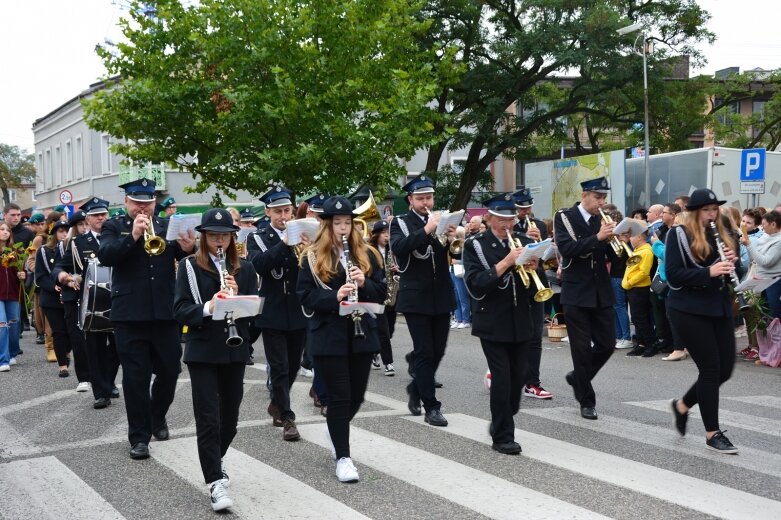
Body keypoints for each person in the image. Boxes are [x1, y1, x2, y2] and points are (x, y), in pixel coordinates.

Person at [98, 178, 195, 460]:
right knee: (136, 378)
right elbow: (106, 256)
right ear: (126, 202)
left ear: (155, 202)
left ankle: (157, 416)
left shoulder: (166, 227)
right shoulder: (113, 226)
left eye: (148, 202)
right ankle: (139, 437)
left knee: (170, 370)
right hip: (130, 315)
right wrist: (133, 236)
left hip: (165, 313)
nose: (143, 207)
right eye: (138, 202)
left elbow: (184, 255)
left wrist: (188, 247)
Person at [296, 196, 386, 482]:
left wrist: (364, 283)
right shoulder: (311, 257)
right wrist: (333, 296)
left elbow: (383, 293)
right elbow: (305, 296)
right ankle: (344, 457)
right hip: (328, 335)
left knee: (356, 397)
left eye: (348, 223)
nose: (344, 228)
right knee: (339, 396)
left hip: (361, 332)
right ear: (327, 226)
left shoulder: (369, 254)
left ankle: (335, 429)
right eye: (338, 223)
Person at [173, 208, 256, 512]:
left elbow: (254, 313)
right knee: (208, 417)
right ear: (203, 237)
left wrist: (236, 300)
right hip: (202, 350)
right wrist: (210, 306)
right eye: (213, 235)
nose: (219, 240)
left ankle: (214, 458)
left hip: (234, 349)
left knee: (230, 419)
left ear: (233, 237)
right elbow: (180, 310)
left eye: (225, 235)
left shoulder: (244, 269)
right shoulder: (189, 268)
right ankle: (214, 481)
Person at [666, 188, 739, 454]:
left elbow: (735, 269)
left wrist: (734, 261)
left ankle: (682, 405)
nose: (712, 214)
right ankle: (712, 433)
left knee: (725, 370)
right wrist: (708, 272)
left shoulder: (725, 232)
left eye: (714, 209)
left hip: (718, 306)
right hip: (688, 308)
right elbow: (673, 275)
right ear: (694, 212)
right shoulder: (679, 234)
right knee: (710, 369)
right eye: (707, 210)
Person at [463, 193, 538, 454]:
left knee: (519, 377)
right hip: (492, 321)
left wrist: (536, 266)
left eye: (511, 219)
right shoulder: (475, 245)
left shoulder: (525, 241)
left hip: (521, 318)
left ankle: (502, 418)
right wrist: (507, 261)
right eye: (502, 220)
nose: (508, 225)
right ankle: (503, 436)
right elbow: (475, 283)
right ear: (488, 218)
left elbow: (535, 285)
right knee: (503, 378)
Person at [389, 175, 456, 427]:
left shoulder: (441, 220)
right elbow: (400, 247)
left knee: (437, 351)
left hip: (441, 295)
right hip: (415, 296)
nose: (425, 202)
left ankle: (416, 389)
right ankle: (432, 406)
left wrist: (453, 238)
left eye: (428, 197)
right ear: (410, 200)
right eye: (420, 198)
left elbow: (453, 253)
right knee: (425, 351)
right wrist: (428, 229)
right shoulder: (400, 222)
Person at [247, 185, 309, 441]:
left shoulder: (303, 234)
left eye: (288, 210)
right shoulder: (257, 237)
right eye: (279, 211)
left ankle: (276, 402)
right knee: (279, 366)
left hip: (298, 309)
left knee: (294, 365)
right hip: (271, 311)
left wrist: (311, 248)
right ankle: (287, 417)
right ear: (268, 212)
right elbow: (258, 266)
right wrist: (285, 244)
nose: (284, 216)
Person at [554, 176, 617, 420]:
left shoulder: (603, 220)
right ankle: (586, 400)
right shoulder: (565, 217)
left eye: (604, 198)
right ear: (584, 195)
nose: (601, 203)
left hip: (601, 291)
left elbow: (611, 256)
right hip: (576, 291)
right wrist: (599, 238)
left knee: (607, 345)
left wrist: (620, 239)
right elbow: (568, 249)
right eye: (597, 197)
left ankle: (577, 378)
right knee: (580, 349)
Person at [54, 198, 121, 408]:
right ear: (87, 219)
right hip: (92, 304)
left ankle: (108, 380)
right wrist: (64, 276)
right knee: (94, 348)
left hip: (119, 301)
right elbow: (60, 267)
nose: (101, 218)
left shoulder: (119, 238)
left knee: (119, 347)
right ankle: (101, 392)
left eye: (103, 214)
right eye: (96, 215)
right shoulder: (77, 243)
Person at [512, 187, 553, 400]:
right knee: (514, 335)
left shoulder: (538, 226)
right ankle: (503, 370)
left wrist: (540, 244)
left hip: (536, 282)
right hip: (515, 285)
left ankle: (532, 383)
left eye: (528, 207)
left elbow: (545, 257)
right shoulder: (507, 226)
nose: (525, 212)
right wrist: (524, 237)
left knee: (536, 335)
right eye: (521, 208)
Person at [35, 220, 72, 377]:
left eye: (66, 231)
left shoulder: (72, 249)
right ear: (55, 233)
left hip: (70, 296)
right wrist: (53, 286)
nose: (64, 234)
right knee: (58, 332)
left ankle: (66, 351)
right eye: (61, 231)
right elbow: (40, 276)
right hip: (51, 298)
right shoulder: (44, 251)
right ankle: (62, 365)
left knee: (71, 331)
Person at [622, 228, 656, 357]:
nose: (630, 239)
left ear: (640, 238)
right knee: (636, 318)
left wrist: (630, 282)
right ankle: (641, 344)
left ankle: (650, 344)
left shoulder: (646, 251)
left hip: (639, 288)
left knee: (641, 318)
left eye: (632, 236)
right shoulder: (637, 250)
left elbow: (643, 272)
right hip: (633, 288)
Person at [368, 219, 396, 375]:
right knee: (383, 330)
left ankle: (374, 351)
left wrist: (395, 269)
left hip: (390, 293)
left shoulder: (391, 250)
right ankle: (388, 363)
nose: (387, 237)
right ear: (377, 234)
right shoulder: (369, 250)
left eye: (389, 233)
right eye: (384, 233)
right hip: (376, 294)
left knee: (389, 329)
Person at [4, 203, 35, 335]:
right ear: (5, 215)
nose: (16, 218)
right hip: (4, 276)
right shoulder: (2, 231)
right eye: (13, 215)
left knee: (17, 310)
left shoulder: (27, 233)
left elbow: (33, 255)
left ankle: (16, 338)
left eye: (18, 215)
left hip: (21, 276)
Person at [0, 222, 26, 372]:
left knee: (14, 324)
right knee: (2, 324)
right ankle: (3, 359)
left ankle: (11, 352)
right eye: (1, 229)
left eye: (7, 230)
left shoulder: (16, 251)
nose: (5, 232)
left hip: (13, 293)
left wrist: (23, 274)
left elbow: (21, 272)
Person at [450, 226, 471, 330]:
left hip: (460, 272)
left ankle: (466, 320)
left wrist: (458, 261)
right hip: (453, 271)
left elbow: (469, 260)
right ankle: (458, 319)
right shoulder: (454, 244)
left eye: (456, 234)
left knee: (463, 297)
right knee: (456, 298)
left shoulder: (466, 244)